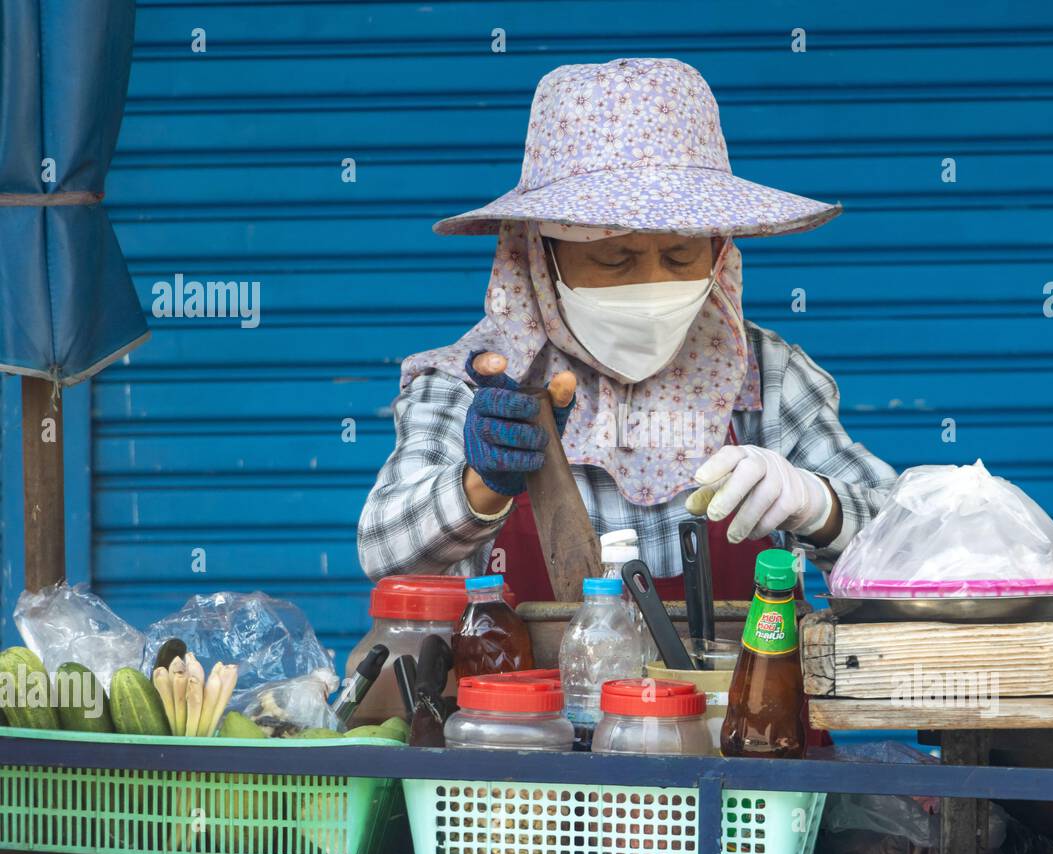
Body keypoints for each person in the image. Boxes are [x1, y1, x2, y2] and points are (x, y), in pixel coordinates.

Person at [358, 57, 896, 603]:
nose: (652, 283)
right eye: (615, 260)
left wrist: (819, 505)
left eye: (681, 254)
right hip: (525, 687)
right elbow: (382, 550)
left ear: (718, 252)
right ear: (543, 262)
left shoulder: (765, 376)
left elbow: (914, 539)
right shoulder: (479, 382)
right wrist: (483, 484)